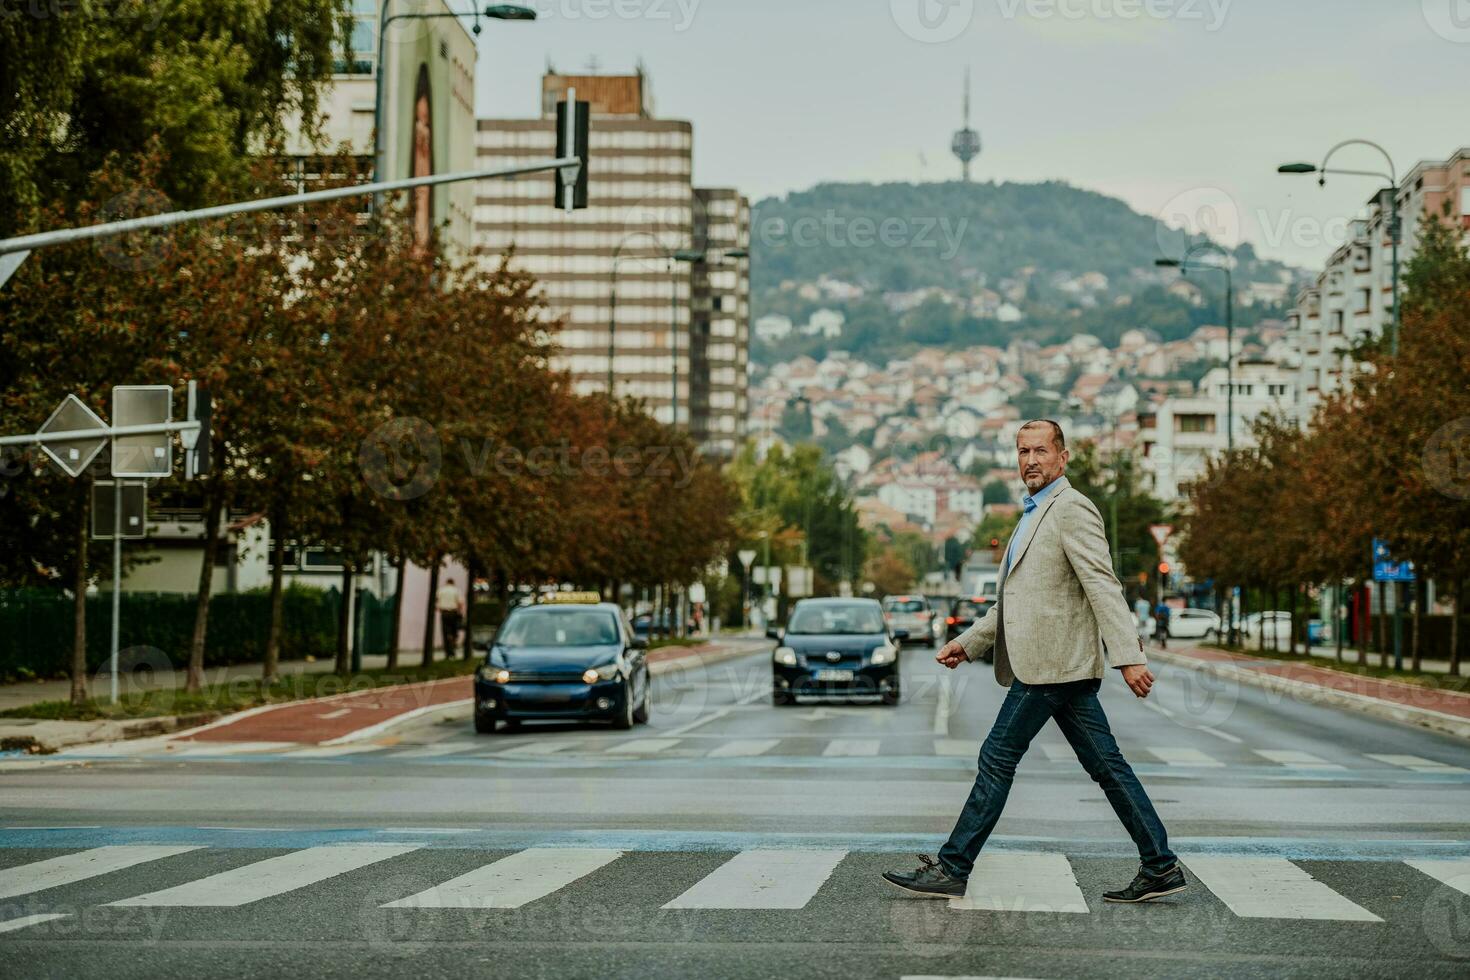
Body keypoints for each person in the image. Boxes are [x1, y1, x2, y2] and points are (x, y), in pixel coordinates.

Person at [883, 420, 1186, 905]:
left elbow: (1103, 585)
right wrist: (971, 642)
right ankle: (1160, 864)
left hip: (1050, 666)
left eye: (1041, 451)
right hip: (1055, 667)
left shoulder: (1071, 509)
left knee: (997, 758)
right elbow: (1014, 602)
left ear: (1062, 458)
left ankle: (954, 865)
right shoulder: (1033, 514)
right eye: (1023, 451)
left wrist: (1128, 657)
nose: (1030, 460)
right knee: (1108, 766)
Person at [436, 576, 465, 658]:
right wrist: (460, 613)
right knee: (454, 632)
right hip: (453, 612)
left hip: (444, 613)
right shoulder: (456, 590)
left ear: (446, 582)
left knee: (445, 632)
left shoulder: (441, 590)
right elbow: (460, 603)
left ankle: (447, 652)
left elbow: (437, 602)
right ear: (453, 583)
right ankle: (452, 650)